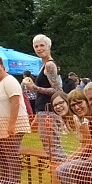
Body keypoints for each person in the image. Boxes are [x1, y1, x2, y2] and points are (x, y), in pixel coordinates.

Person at [0, 55, 31, 184]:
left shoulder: (10, 81)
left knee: (10, 154)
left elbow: (15, 104)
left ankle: (14, 183)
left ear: (3, 67)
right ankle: (4, 180)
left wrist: (11, 125)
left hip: (14, 126)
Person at [32, 34, 63, 164]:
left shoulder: (50, 65)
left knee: (53, 149)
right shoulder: (44, 65)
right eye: (36, 46)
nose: (39, 48)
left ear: (48, 46)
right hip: (43, 111)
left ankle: (65, 175)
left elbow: (57, 90)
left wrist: (34, 87)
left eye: (42, 45)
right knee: (50, 148)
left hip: (48, 111)